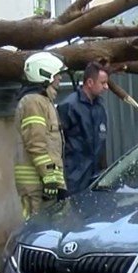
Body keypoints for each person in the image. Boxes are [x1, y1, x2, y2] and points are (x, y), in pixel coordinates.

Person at [14, 51, 68, 217]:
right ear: (45, 73)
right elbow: (36, 144)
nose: (60, 79)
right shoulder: (33, 102)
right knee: (39, 234)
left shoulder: (43, 101)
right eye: (57, 75)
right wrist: (49, 177)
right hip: (38, 185)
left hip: (45, 182)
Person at [58, 62, 110, 194]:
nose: (106, 87)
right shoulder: (69, 106)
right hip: (74, 177)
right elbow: (57, 143)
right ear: (90, 82)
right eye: (102, 83)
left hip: (95, 176)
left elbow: (101, 142)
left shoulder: (99, 107)